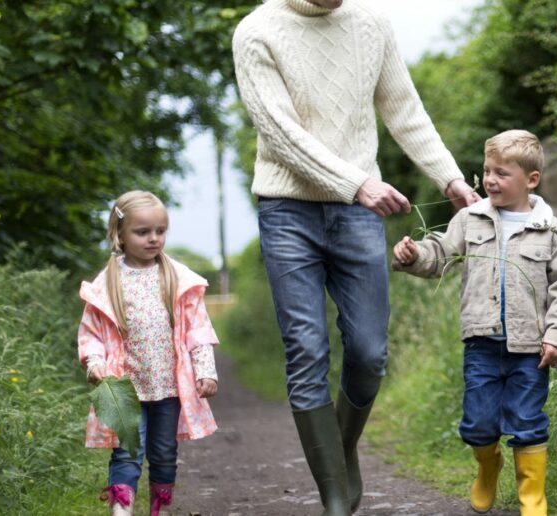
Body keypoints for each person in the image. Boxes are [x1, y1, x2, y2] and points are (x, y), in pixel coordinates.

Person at [232, 0, 480, 514]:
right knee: (306, 350)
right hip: (287, 213)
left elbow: (404, 109)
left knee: (369, 352)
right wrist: (355, 183)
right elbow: (279, 132)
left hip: (357, 214)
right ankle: (334, 500)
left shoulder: (371, 25)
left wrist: (449, 177)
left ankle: (340, 455)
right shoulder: (256, 31)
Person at [393, 130, 557, 516]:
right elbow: (441, 255)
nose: (489, 180)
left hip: (531, 349)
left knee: (528, 421)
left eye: (501, 173)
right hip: (481, 344)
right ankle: (487, 465)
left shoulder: (554, 232)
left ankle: (532, 496)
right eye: (485, 171)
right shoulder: (470, 219)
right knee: (478, 424)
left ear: (531, 179)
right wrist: (414, 255)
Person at [77, 191, 220, 516]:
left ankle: (160, 507)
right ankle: (122, 509)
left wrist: (205, 370)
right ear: (120, 235)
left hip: (168, 388)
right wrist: (95, 362)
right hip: (126, 389)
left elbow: (197, 329)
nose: (154, 238)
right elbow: (92, 331)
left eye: (160, 231)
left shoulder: (177, 278)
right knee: (127, 451)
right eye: (143, 232)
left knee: (164, 452)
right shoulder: (108, 283)